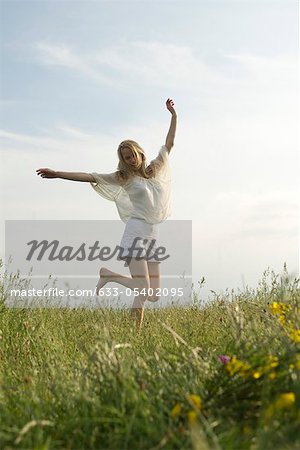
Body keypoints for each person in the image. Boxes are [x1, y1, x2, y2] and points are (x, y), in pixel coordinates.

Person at [36, 98, 177, 329]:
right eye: (125, 157)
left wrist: (173, 116)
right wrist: (58, 173)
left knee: (153, 294)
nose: (130, 160)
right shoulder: (123, 178)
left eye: (132, 155)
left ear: (140, 153)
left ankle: (109, 276)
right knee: (142, 290)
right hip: (135, 233)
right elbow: (90, 176)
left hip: (152, 235)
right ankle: (135, 334)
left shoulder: (153, 170)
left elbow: (169, 144)